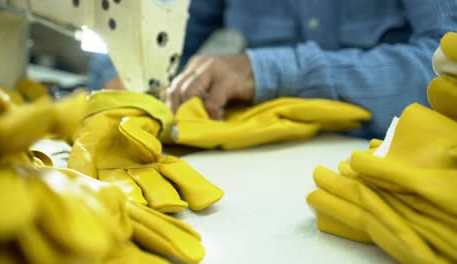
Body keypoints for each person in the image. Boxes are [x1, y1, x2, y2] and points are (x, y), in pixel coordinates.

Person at [92, 0, 457, 139]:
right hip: (260, 169)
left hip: (391, 161)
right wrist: (123, 68)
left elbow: (446, 70)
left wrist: (270, 72)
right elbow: (164, 28)